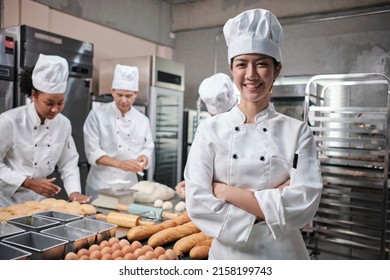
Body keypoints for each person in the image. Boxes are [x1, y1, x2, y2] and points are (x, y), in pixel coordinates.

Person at [184, 8, 323, 259]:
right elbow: (197, 201)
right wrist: (274, 201)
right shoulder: (209, 130)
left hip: (283, 254)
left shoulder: (298, 132)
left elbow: (304, 200)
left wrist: (226, 192)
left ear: (276, 69)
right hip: (229, 255)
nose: (251, 75)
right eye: (241, 64)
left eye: (261, 64)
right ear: (231, 69)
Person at [0, 54, 90, 207]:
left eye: (60, 102)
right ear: (34, 95)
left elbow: (68, 163)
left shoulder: (64, 124)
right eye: (49, 103)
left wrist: (74, 192)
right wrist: (28, 182)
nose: (55, 109)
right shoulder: (10, 121)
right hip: (6, 202)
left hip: (40, 203)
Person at [83, 64, 155, 200]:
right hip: (100, 185)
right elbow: (92, 152)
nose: (123, 100)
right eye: (119, 95)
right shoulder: (97, 115)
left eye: (128, 96)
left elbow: (148, 146)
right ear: (112, 91)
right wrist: (120, 164)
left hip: (130, 187)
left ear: (136, 94)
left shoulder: (142, 120)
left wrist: (143, 158)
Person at [175, 73, 237, 198]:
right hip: (210, 201)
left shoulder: (249, 126)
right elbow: (201, 170)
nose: (217, 122)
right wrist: (191, 183)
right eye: (214, 117)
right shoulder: (205, 129)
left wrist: (201, 186)